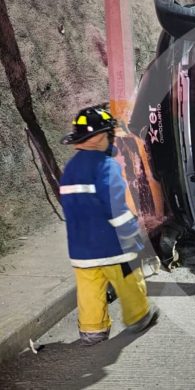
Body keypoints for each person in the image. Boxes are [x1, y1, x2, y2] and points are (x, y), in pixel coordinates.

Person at [60, 104, 159, 346]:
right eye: (109, 133)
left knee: (89, 291)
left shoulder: (70, 168)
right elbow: (115, 207)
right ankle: (139, 316)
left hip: (81, 250)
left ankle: (93, 331)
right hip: (113, 247)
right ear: (99, 137)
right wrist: (132, 236)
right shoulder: (107, 166)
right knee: (129, 281)